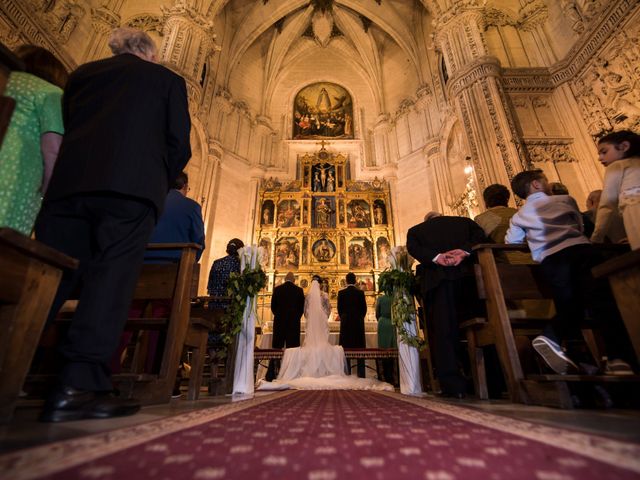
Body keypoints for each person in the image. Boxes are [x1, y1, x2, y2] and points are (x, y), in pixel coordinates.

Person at [34, 27, 191, 423]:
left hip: (69, 189)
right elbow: (180, 145)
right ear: (151, 55)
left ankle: (14, 366)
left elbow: (71, 125)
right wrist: (153, 181)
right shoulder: (166, 80)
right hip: (129, 193)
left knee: (48, 281)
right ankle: (78, 386)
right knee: (109, 283)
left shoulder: (82, 75)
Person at [505, 169, 634, 376]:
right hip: (581, 252)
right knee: (602, 302)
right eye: (545, 181)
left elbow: (511, 242)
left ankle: (556, 339)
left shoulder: (519, 215)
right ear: (536, 185)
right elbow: (580, 226)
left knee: (568, 302)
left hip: (551, 260)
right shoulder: (565, 200)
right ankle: (617, 358)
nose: (548, 184)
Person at [257, 276, 391, 391]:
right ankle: (347, 373)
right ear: (321, 284)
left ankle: (274, 373)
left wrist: (311, 320)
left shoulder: (307, 296)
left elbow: (304, 311)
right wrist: (323, 319)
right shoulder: (325, 296)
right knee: (323, 345)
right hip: (323, 325)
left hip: (298, 325)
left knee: (290, 347)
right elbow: (329, 310)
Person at [407, 211, 486, 397]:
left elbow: (414, 249)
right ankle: (490, 381)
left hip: (438, 282)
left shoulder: (416, 231)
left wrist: (436, 256)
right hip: (470, 280)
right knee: (481, 327)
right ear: (442, 215)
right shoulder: (465, 222)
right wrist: (464, 251)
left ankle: (454, 386)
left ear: (426, 220)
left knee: (444, 332)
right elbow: (481, 236)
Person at [0, 45, 67, 235]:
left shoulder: (8, 80)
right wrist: (49, 196)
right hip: (15, 175)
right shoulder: (51, 93)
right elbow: (52, 149)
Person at [591, 130, 640, 249]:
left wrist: (596, 237)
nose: (600, 158)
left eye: (604, 152)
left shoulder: (616, 166)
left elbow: (607, 204)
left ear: (624, 146)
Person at [145, 171, 205, 262]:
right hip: (175, 265)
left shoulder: (151, 201)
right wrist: (191, 261)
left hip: (142, 259)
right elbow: (199, 239)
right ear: (184, 186)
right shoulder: (193, 206)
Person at [266, 271, 305, 381]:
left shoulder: (277, 289)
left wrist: (279, 315)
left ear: (284, 279)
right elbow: (301, 308)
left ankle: (272, 374)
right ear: (294, 280)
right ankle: (292, 373)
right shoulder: (299, 290)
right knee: (292, 348)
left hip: (279, 322)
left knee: (277, 347)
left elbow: (273, 306)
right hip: (293, 323)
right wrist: (295, 317)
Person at [338, 272, 367, 378]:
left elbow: (339, 309)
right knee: (359, 347)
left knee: (346, 347)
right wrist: (359, 318)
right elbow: (364, 309)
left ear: (346, 281)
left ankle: (346, 372)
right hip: (358, 322)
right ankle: (361, 373)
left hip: (345, 322)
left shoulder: (341, 293)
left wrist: (344, 317)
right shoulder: (360, 293)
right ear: (355, 281)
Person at [207, 238, 244, 310]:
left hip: (213, 304)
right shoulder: (240, 264)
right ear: (240, 250)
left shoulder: (216, 262)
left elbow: (210, 285)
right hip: (230, 307)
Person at [375, 292, 396, 384]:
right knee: (393, 349)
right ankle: (394, 376)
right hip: (393, 323)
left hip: (383, 323)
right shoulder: (395, 297)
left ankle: (385, 376)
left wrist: (380, 319)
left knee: (383, 349)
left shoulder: (380, 298)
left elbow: (377, 313)